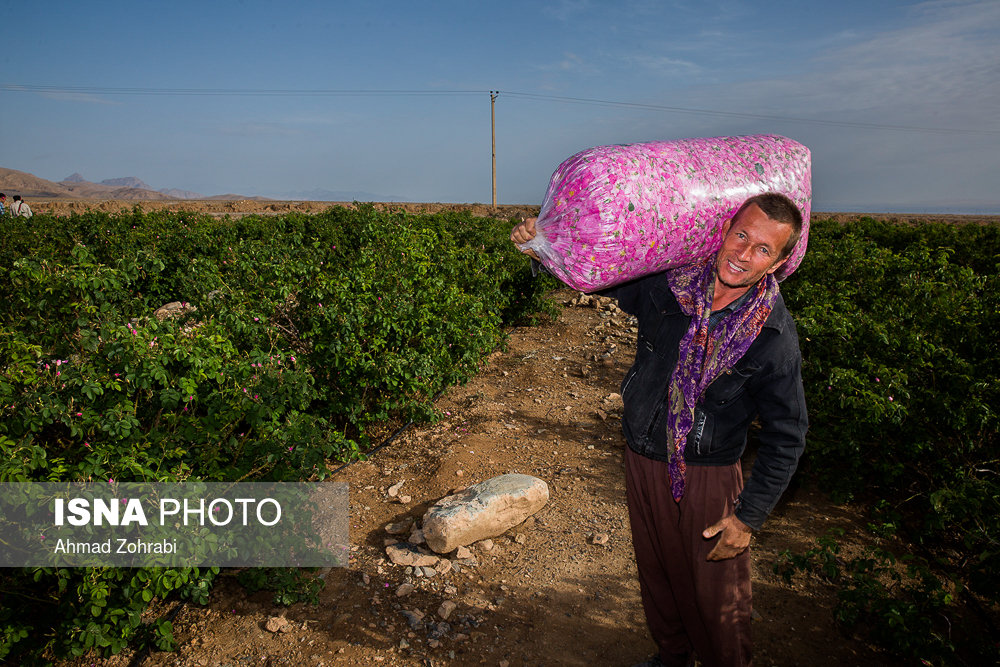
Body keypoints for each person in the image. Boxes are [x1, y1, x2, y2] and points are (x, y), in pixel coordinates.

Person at [510, 193, 808, 667]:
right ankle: (672, 656)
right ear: (725, 230)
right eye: (742, 236)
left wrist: (747, 517)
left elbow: (788, 435)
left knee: (718, 599)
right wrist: (543, 245)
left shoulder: (772, 336)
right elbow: (597, 277)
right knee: (657, 572)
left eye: (763, 249)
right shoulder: (672, 287)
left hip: (707, 478)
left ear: (779, 261)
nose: (743, 254)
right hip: (642, 456)